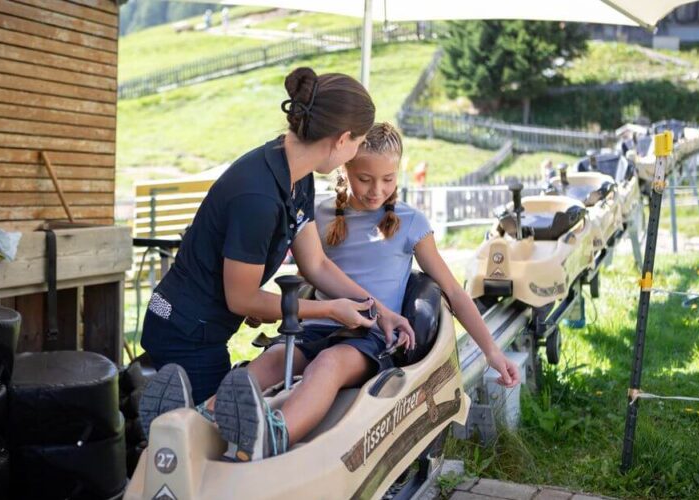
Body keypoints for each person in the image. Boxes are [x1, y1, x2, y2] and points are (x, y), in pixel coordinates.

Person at [170, 123, 521, 462]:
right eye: (365, 179)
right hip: (318, 324)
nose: (376, 190)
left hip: (370, 334)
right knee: (273, 358)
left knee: (328, 364)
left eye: (388, 179)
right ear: (344, 168)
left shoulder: (411, 223)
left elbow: (454, 292)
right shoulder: (320, 214)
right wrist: (264, 303)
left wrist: (492, 351)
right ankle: (199, 419)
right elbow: (309, 272)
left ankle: (275, 434)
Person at [138, 68, 415, 436]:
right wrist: (329, 309)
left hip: (203, 326)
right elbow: (242, 299)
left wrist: (379, 312)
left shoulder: (297, 176)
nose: (354, 152)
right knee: (212, 438)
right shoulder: (259, 195)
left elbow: (316, 264)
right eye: (358, 143)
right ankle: (164, 429)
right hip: (185, 330)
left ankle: (170, 423)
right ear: (342, 139)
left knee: (221, 426)